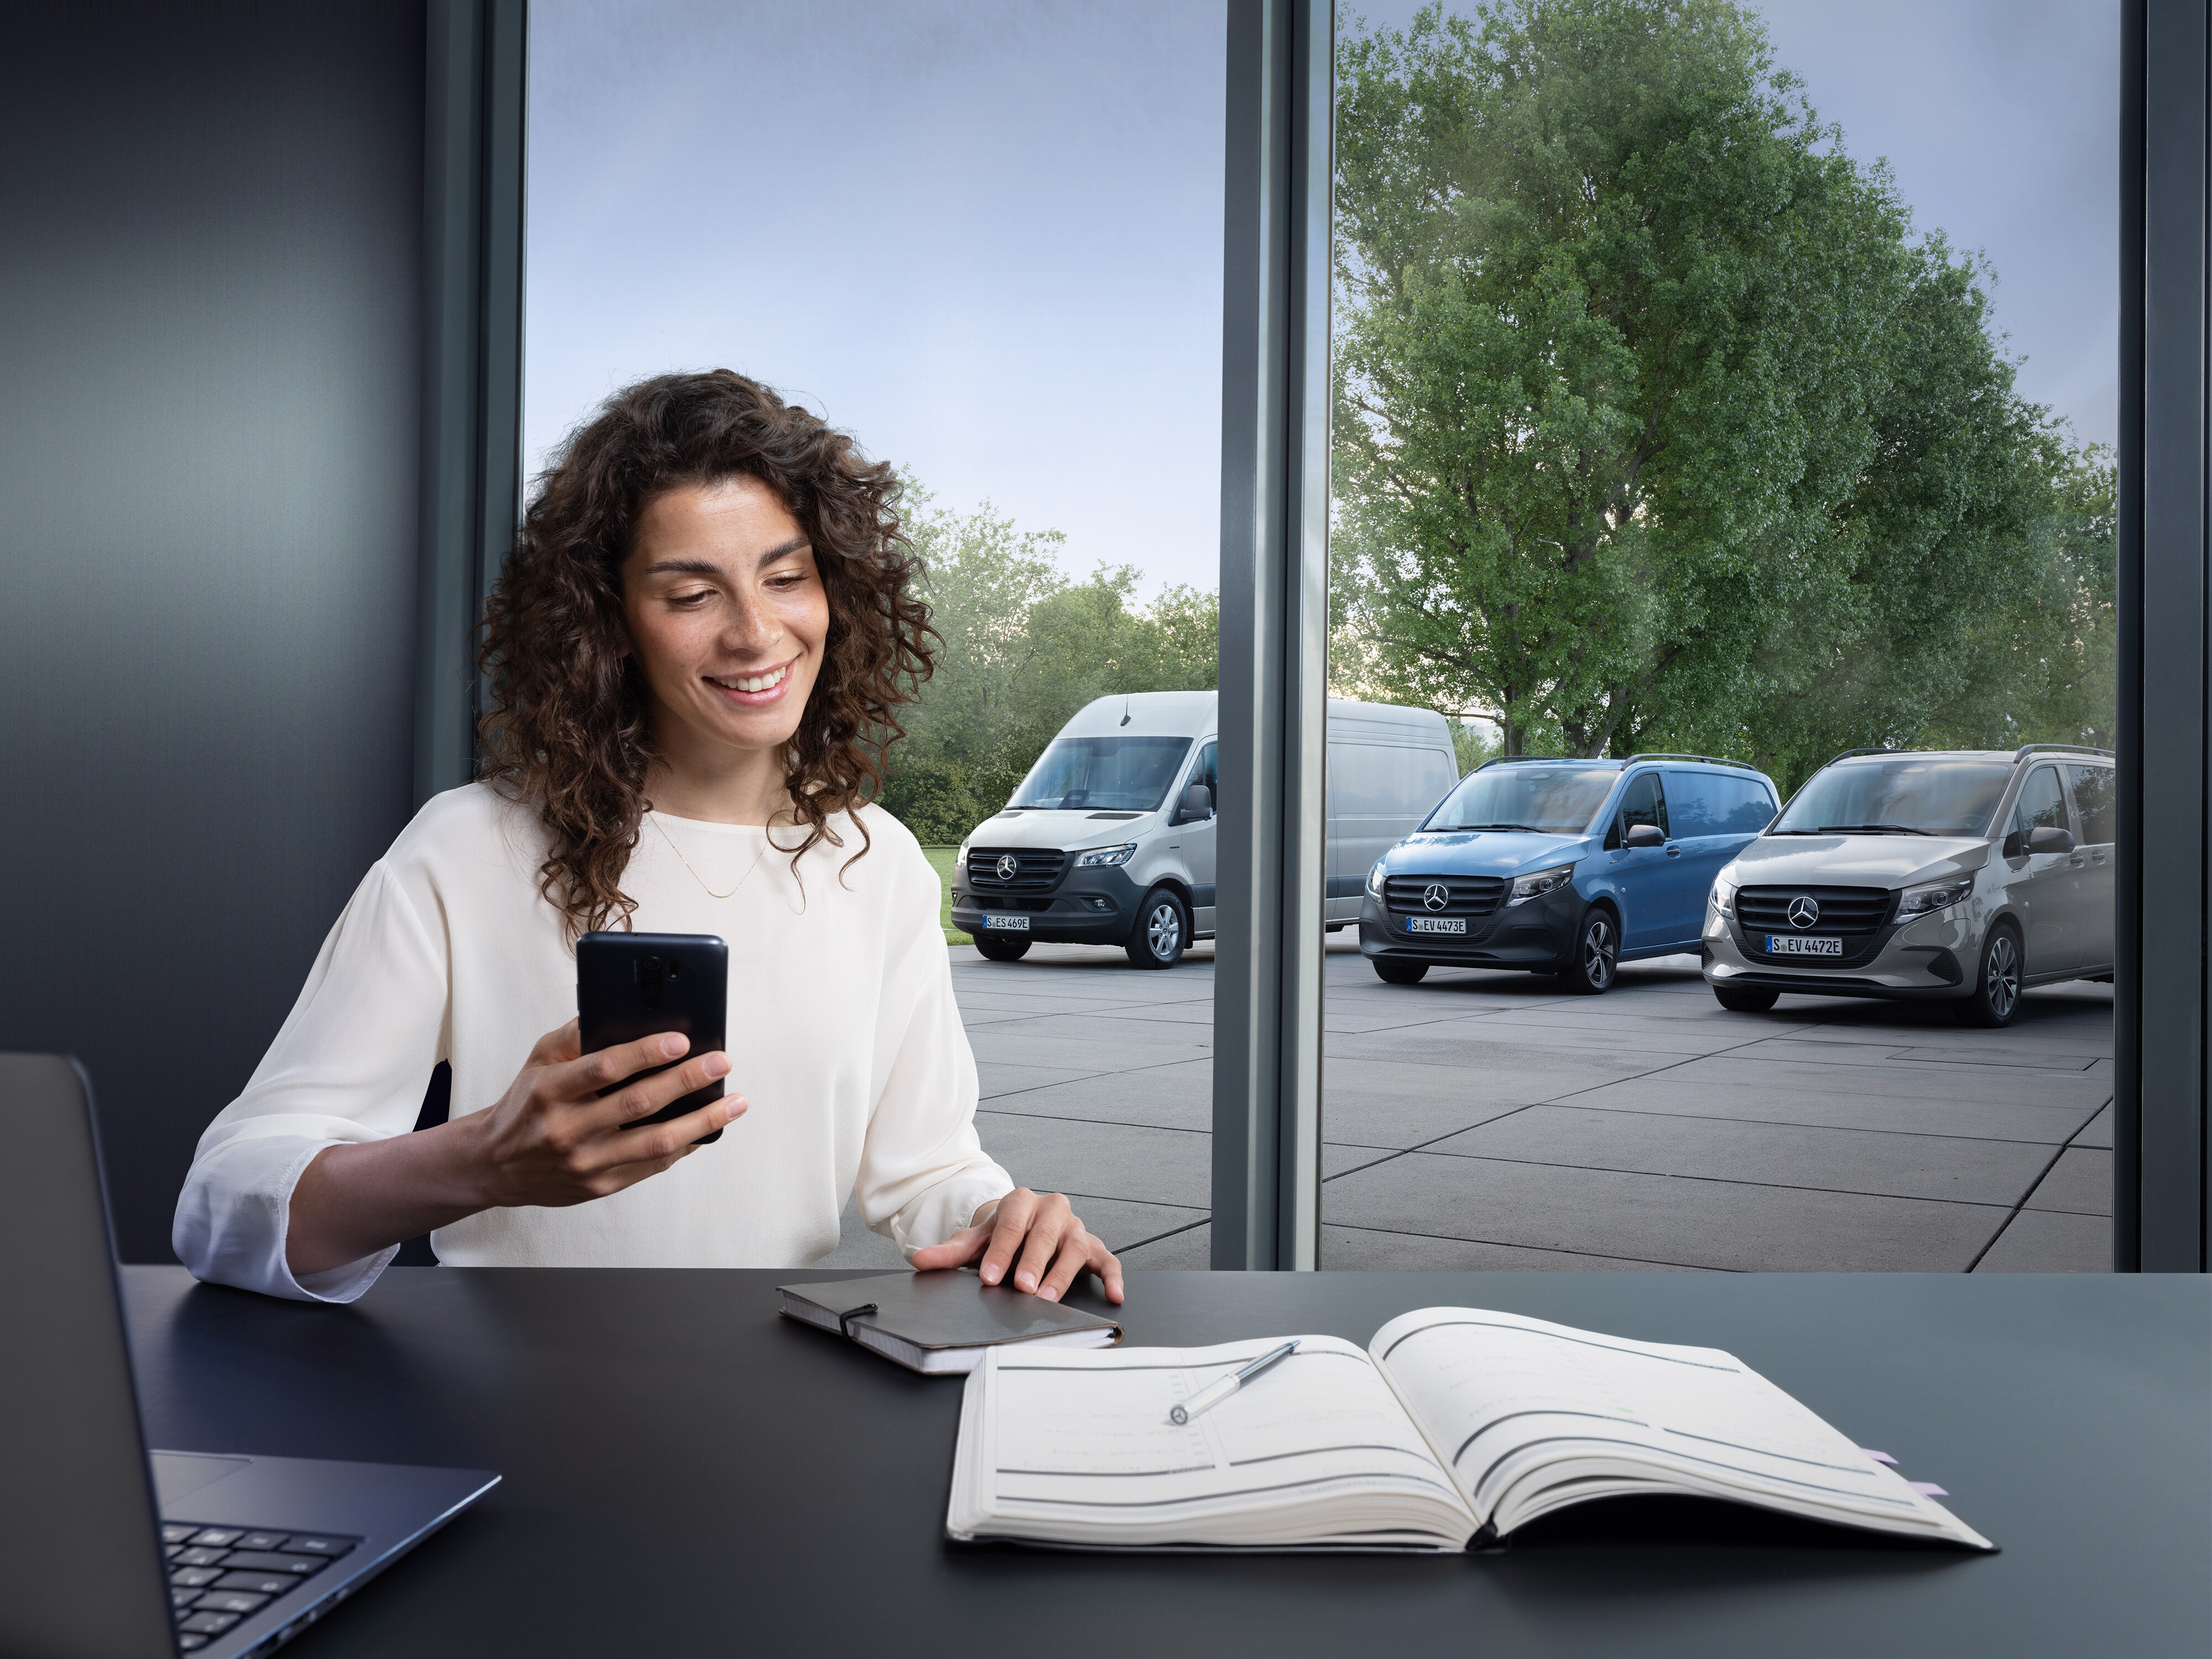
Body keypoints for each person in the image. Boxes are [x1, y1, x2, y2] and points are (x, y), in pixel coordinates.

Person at [174, 370, 1123, 1307]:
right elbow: (222, 1206)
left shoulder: (878, 866)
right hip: (509, 1412)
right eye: (690, 594)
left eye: (787, 578)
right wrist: (483, 1160)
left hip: (775, 1402)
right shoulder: (465, 849)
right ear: (609, 622)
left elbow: (926, 1173)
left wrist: (1005, 1218)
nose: (757, 634)